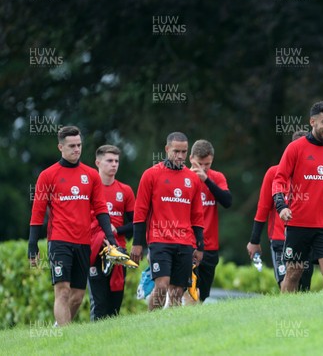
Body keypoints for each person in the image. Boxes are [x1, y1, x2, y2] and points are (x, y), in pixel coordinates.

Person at [29, 126, 120, 326]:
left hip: (83, 242)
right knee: (62, 290)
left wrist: (111, 240)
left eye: (79, 145)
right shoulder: (47, 175)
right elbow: (37, 212)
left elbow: (101, 209)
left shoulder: (91, 175)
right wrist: (32, 244)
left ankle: (58, 325)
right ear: (60, 147)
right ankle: (64, 336)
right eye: (71, 146)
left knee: (77, 296)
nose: (76, 149)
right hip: (59, 241)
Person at [272, 101, 323, 292]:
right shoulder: (295, 148)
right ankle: (286, 312)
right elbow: (279, 179)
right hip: (299, 223)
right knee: (294, 271)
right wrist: (282, 205)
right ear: (312, 121)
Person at [131, 132, 204, 309]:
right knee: (162, 285)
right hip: (159, 240)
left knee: (178, 292)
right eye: (176, 151)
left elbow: (197, 216)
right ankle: (151, 325)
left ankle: (170, 331)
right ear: (167, 149)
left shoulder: (193, 179)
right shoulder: (151, 175)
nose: (180, 156)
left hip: (185, 242)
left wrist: (200, 247)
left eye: (184, 152)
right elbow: (140, 212)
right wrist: (138, 243)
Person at [246, 131, 314, 291]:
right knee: (287, 283)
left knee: (304, 288)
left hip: (307, 238)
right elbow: (262, 208)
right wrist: (254, 241)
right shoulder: (274, 173)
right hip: (280, 240)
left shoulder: (313, 175)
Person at [88, 145, 136, 320]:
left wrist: (117, 230)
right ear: (98, 162)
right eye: (109, 161)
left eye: (116, 161)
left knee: (115, 305)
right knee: (99, 305)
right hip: (95, 250)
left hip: (118, 252)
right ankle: (95, 343)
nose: (114, 164)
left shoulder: (125, 191)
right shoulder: (89, 190)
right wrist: (100, 237)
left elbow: (136, 223)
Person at [186, 139, 232, 303]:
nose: (204, 167)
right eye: (200, 163)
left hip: (210, 246)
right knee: (192, 291)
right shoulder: (183, 178)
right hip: (188, 244)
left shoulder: (216, 177)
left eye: (208, 164)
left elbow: (227, 201)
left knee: (203, 295)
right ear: (191, 159)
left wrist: (206, 179)